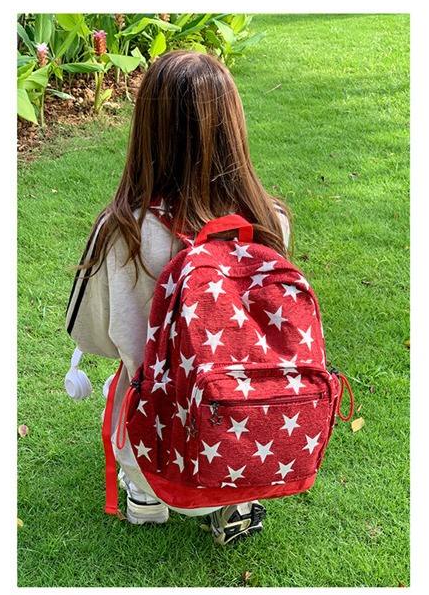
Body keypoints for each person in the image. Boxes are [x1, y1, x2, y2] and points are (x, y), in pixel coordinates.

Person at [65, 49, 291, 545]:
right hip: (240, 428)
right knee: (232, 428)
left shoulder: (121, 231)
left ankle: (146, 496)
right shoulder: (269, 222)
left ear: (147, 129)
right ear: (232, 126)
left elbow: (94, 337)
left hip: (156, 435)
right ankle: (235, 501)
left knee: (129, 397)